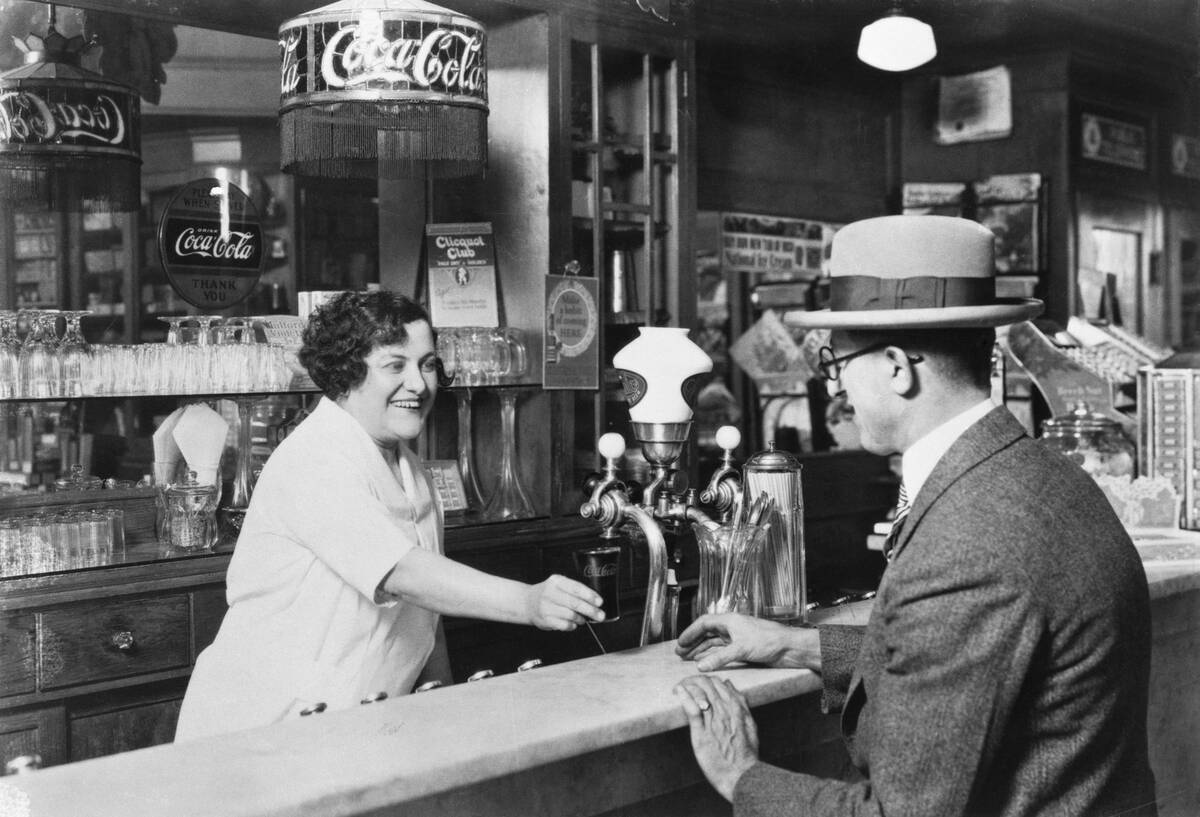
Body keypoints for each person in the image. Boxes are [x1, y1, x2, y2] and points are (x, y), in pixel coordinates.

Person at [672, 215, 1157, 817]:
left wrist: (740, 775)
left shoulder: (969, 541)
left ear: (897, 366)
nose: (834, 387)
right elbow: (969, 659)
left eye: (836, 362)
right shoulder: (1044, 476)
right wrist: (797, 647)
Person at [176, 291, 604, 740]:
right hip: (261, 728)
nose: (419, 385)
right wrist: (528, 602)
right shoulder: (314, 459)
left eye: (428, 364)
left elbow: (426, 612)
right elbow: (403, 574)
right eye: (395, 365)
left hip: (354, 723)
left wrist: (444, 706)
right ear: (346, 374)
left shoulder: (408, 468)